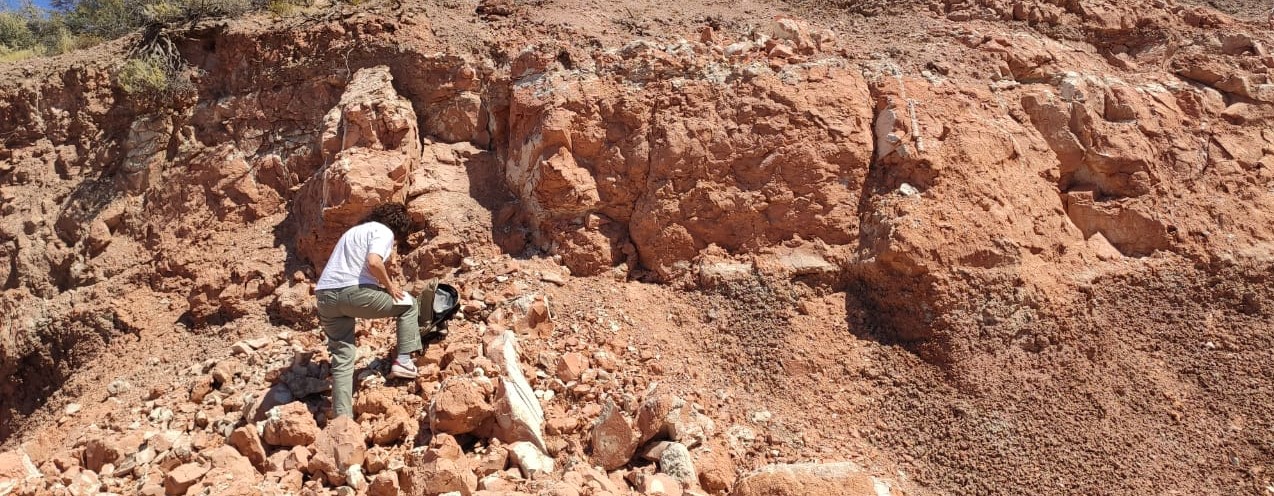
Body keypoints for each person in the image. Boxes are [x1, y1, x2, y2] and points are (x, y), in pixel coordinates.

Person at [314, 202, 421, 418]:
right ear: (397, 227)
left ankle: (342, 419)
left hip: (325, 296)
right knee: (409, 305)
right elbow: (374, 262)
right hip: (353, 293)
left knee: (343, 356)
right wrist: (390, 287)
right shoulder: (383, 231)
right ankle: (404, 361)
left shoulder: (352, 232)